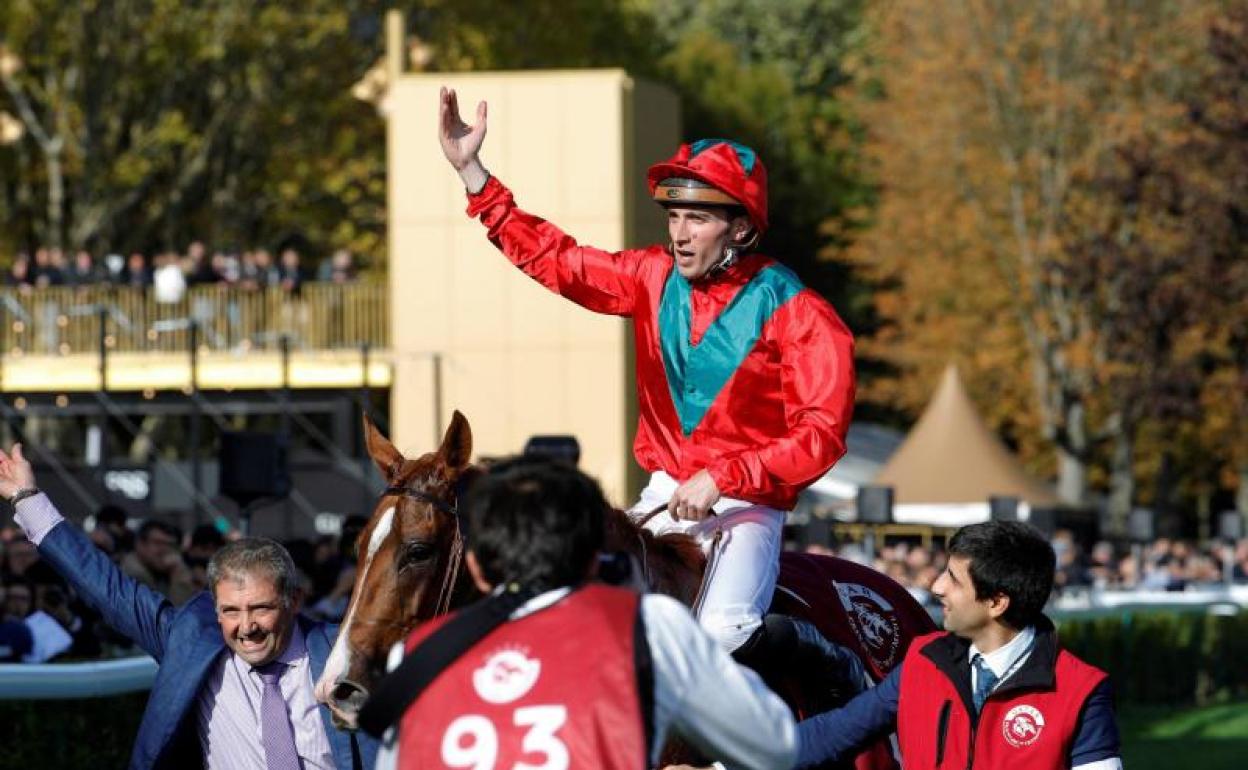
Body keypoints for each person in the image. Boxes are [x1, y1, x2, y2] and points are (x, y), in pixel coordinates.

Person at [437, 87, 856, 668]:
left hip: (747, 506)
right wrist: (474, 175)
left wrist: (724, 476)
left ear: (740, 230)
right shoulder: (650, 276)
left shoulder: (802, 312)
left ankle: (818, 656)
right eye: (675, 216)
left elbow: (822, 436)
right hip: (664, 491)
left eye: (699, 218)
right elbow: (559, 261)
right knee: (564, 604)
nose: (680, 233)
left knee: (724, 635)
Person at [365, 457, 797, 770]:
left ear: (475, 566)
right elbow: (778, 748)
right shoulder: (653, 628)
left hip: (724, 494)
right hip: (714, 496)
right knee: (725, 630)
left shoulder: (417, 657)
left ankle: (821, 652)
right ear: (594, 559)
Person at [0, 443, 378, 770]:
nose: (247, 627)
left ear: (294, 601)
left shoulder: (342, 654)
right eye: (231, 611)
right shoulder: (190, 641)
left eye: (260, 608)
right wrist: (27, 499)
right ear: (215, 609)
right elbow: (105, 588)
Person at [795, 520, 1122, 770]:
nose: (936, 587)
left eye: (953, 578)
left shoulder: (1081, 691)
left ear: (997, 602)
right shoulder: (922, 660)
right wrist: (751, 748)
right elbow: (835, 733)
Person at [122, 519, 196, 606]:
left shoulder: (158, 572)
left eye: (169, 545)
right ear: (140, 544)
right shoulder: (135, 576)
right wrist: (178, 574)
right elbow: (175, 616)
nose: (164, 550)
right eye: (158, 543)